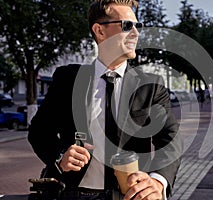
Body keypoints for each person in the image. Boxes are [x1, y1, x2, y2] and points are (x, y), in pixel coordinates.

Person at [28, 0, 182, 199]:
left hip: (128, 195)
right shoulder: (68, 79)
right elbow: (39, 131)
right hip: (71, 193)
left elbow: (170, 140)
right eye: (127, 25)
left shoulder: (151, 86)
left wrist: (158, 180)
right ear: (99, 31)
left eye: (138, 26)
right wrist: (60, 156)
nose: (136, 33)